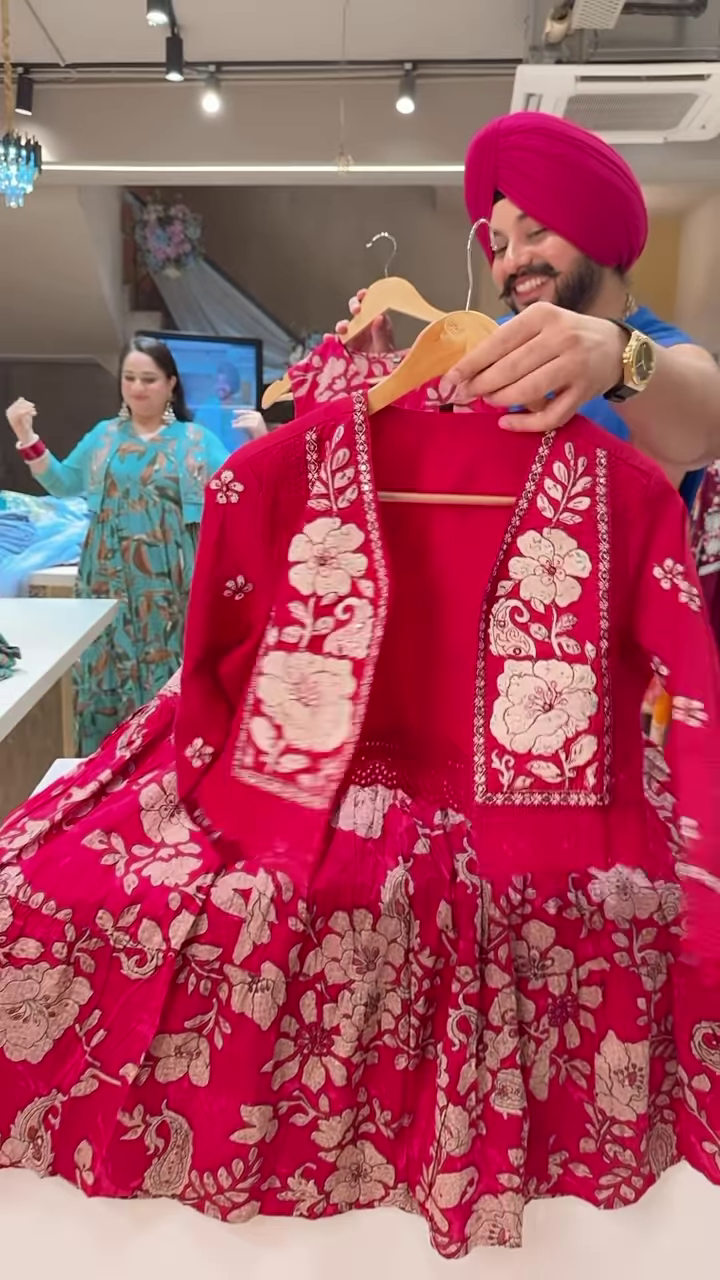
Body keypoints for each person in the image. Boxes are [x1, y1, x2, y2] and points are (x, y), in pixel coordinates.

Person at [337, 112, 720, 508]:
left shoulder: (664, 351)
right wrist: (394, 388)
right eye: (499, 246)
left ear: (598, 233)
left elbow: (707, 427)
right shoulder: (489, 341)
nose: (513, 260)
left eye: (536, 232)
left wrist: (616, 355)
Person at [4, 335, 229, 755]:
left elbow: (235, 491)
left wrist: (258, 442)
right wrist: (26, 436)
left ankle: (166, 767)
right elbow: (64, 483)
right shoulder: (103, 437)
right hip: (106, 574)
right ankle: (105, 769)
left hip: (172, 582)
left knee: (171, 669)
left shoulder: (196, 440)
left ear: (171, 384)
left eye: (149, 378)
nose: (138, 387)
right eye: (129, 378)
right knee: (105, 665)